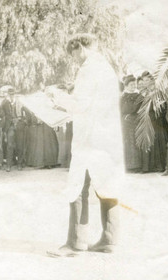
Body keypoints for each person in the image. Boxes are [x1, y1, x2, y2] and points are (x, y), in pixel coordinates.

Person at [48, 33, 124, 257]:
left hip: (89, 137)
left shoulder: (88, 69)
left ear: (80, 47)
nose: (75, 60)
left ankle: (75, 243)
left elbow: (81, 104)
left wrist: (57, 98)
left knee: (78, 186)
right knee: (107, 185)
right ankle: (110, 239)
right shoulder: (107, 69)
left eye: (74, 55)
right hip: (108, 138)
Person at [120, 74, 141, 171]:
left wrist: (130, 113)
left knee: (134, 142)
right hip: (125, 123)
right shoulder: (123, 96)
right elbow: (122, 109)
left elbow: (136, 108)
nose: (134, 86)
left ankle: (136, 165)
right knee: (126, 142)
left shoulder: (138, 96)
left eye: (134, 84)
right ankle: (128, 165)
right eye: (131, 85)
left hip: (134, 121)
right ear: (126, 85)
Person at [0, 85, 16, 172]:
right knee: (9, 145)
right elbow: (2, 115)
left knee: (19, 144)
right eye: (10, 94)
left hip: (19, 126)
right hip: (9, 126)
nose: (11, 96)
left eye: (13, 94)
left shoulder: (18, 102)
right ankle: (8, 165)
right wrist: (4, 128)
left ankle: (18, 162)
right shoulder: (4, 103)